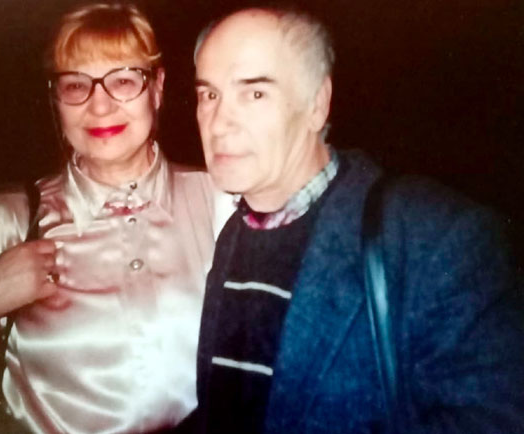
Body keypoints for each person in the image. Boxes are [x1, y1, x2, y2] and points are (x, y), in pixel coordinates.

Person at [193, 6, 524, 433]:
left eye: (254, 94)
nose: (219, 123)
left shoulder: (435, 238)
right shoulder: (234, 234)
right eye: (209, 95)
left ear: (317, 105)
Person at [0, 2, 231, 433]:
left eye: (123, 80)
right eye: (75, 85)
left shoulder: (220, 201)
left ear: (157, 87)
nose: (99, 106)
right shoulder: (6, 219)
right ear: (56, 99)